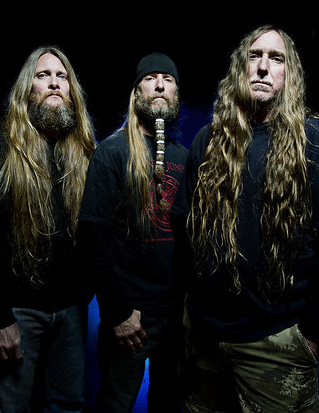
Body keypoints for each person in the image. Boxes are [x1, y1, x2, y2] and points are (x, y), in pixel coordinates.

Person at [171, 25, 319, 412]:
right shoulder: (207, 140)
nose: (262, 66)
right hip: (204, 338)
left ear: (290, 74)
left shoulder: (317, 140)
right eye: (254, 56)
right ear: (239, 68)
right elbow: (184, 230)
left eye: (276, 58)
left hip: (275, 343)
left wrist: (310, 334)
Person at [0, 46, 97, 412]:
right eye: (43, 75)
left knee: (67, 406)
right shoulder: (1, 148)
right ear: (28, 89)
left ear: (71, 90)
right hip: (17, 312)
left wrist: (85, 292)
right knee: (9, 408)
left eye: (61, 76)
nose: (54, 83)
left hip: (72, 311)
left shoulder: (86, 152)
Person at [78, 52, 188, 412]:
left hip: (174, 316)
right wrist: (119, 312)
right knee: (115, 404)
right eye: (150, 78)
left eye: (168, 80)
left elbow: (190, 240)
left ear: (176, 94)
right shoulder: (112, 153)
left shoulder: (184, 158)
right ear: (136, 92)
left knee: (169, 404)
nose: (160, 85)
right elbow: (93, 238)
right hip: (129, 316)